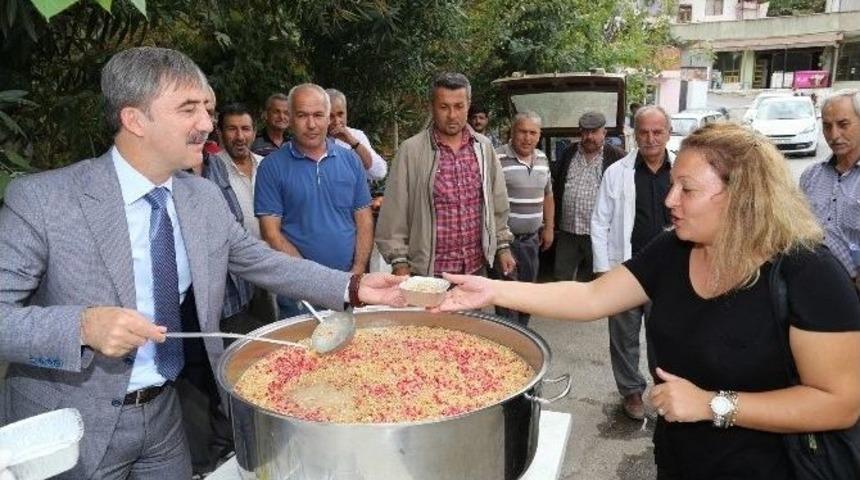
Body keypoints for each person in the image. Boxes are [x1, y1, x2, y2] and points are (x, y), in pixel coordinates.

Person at [0, 47, 404, 480]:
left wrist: (352, 286)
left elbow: (260, 260)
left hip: (164, 418)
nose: (207, 124)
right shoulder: (45, 201)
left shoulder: (202, 198)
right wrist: (82, 326)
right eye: (188, 109)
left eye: (206, 110)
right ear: (135, 120)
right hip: (70, 430)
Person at [439, 122, 860, 480]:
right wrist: (493, 290)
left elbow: (840, 403)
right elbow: (591, 296)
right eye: (673, 183)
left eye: (686, 189)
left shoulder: (809, 273)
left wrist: (713, 404)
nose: (669, 199)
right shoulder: (672, 250)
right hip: (679, 461)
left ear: (742, 197)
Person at [375, 72, 515, 277]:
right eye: (444, 107)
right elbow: (394, 214)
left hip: (476, 271)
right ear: (432, 106)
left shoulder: (483, 148)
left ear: (468, 105)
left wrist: (502, 246)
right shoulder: (411, 151)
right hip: (429, 276)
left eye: (459, 106)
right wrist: (399, 263)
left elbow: (497, 201)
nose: (452, 115)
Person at [256, 83, 374, 319]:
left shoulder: (351, 161)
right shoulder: (271, 167)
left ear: (329, 119)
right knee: (300, 343)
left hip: (347, 283)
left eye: (318, 115)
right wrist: (311, 279)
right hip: (299, 291)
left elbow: (364, 220)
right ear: (290, 118)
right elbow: (271, 233)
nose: (311, 124)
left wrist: (358, 271)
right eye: (302, 115)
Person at [591, 105, 674, 421]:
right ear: (634, 134)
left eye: (657, 131)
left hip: (669, 272)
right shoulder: (617, 172)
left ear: (668, 133)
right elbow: (599, 222)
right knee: (623, 336)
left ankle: (665, 390)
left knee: (666, 336)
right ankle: (631, 392)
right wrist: (602, 270)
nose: (651, 138)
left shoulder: (680, 170)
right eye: (644, 132)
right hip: (627, 270)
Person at [494, 111, 554, 326]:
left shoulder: (542, 158)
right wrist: (500, 244)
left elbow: (548, 195)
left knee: (527, 294)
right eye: (522, 131)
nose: (527, 138)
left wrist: (549, 227)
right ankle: (510, 339)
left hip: (531, 241)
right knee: (507, 297)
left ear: (539, 135)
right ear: (512, 132)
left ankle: (522, 333)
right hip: (505, 243)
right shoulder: (497, 158)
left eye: (532, 133)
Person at [553, 111, 625, 282]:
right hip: (568, 231)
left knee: (596, 279)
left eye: (594, 132)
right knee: (562, 277)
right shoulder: (569, 153)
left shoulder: (617, 157)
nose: (589, 137)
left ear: (604, 133)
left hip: (599, 235)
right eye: (585, 132)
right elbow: (557, 184)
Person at [800, 89, 860, 291]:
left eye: (843, 124)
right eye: (827, 126)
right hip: (810, 283)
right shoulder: (811, 175)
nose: (834, 135)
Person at [325, 88, 388, 181]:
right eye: (331, 116)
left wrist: (353, 143)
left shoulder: (356, 135)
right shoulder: (312, 138)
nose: (337, 121)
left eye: (340, 114)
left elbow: (379, 173)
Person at [250, 93, 289, 157]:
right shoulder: (253, 142)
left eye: (286, 113)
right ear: (266, 115)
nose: (282, 117)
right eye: (276, 112)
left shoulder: (294, 144)